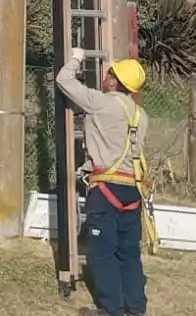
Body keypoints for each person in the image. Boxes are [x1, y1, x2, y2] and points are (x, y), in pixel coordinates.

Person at [57, 48, 151, 316]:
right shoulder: (140, 115)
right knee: (129, 252)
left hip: (105, 189)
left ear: (114, 82)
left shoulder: (101, 102)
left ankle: (111, 309)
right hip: (132, 190)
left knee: (102, 252)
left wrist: (76, 57)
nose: (105, 76)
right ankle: (135, 307)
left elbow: (64, 81)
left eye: (110, 74)